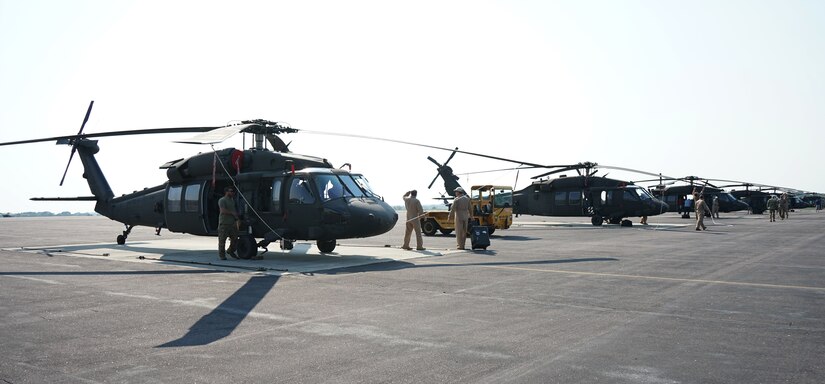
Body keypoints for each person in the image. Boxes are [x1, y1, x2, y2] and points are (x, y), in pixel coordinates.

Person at [218, 186, 240, 260]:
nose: (232, 192)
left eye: (232, 191)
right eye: (230, 191)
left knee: (235, 239)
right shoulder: (222, 200)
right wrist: (232, 213)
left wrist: (237, 218)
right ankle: (222, 255)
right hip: (224, 224)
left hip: (232, 224)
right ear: (226, 192)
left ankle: (230, 250)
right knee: (222, 241)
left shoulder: (232, 200)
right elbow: (223, 211)